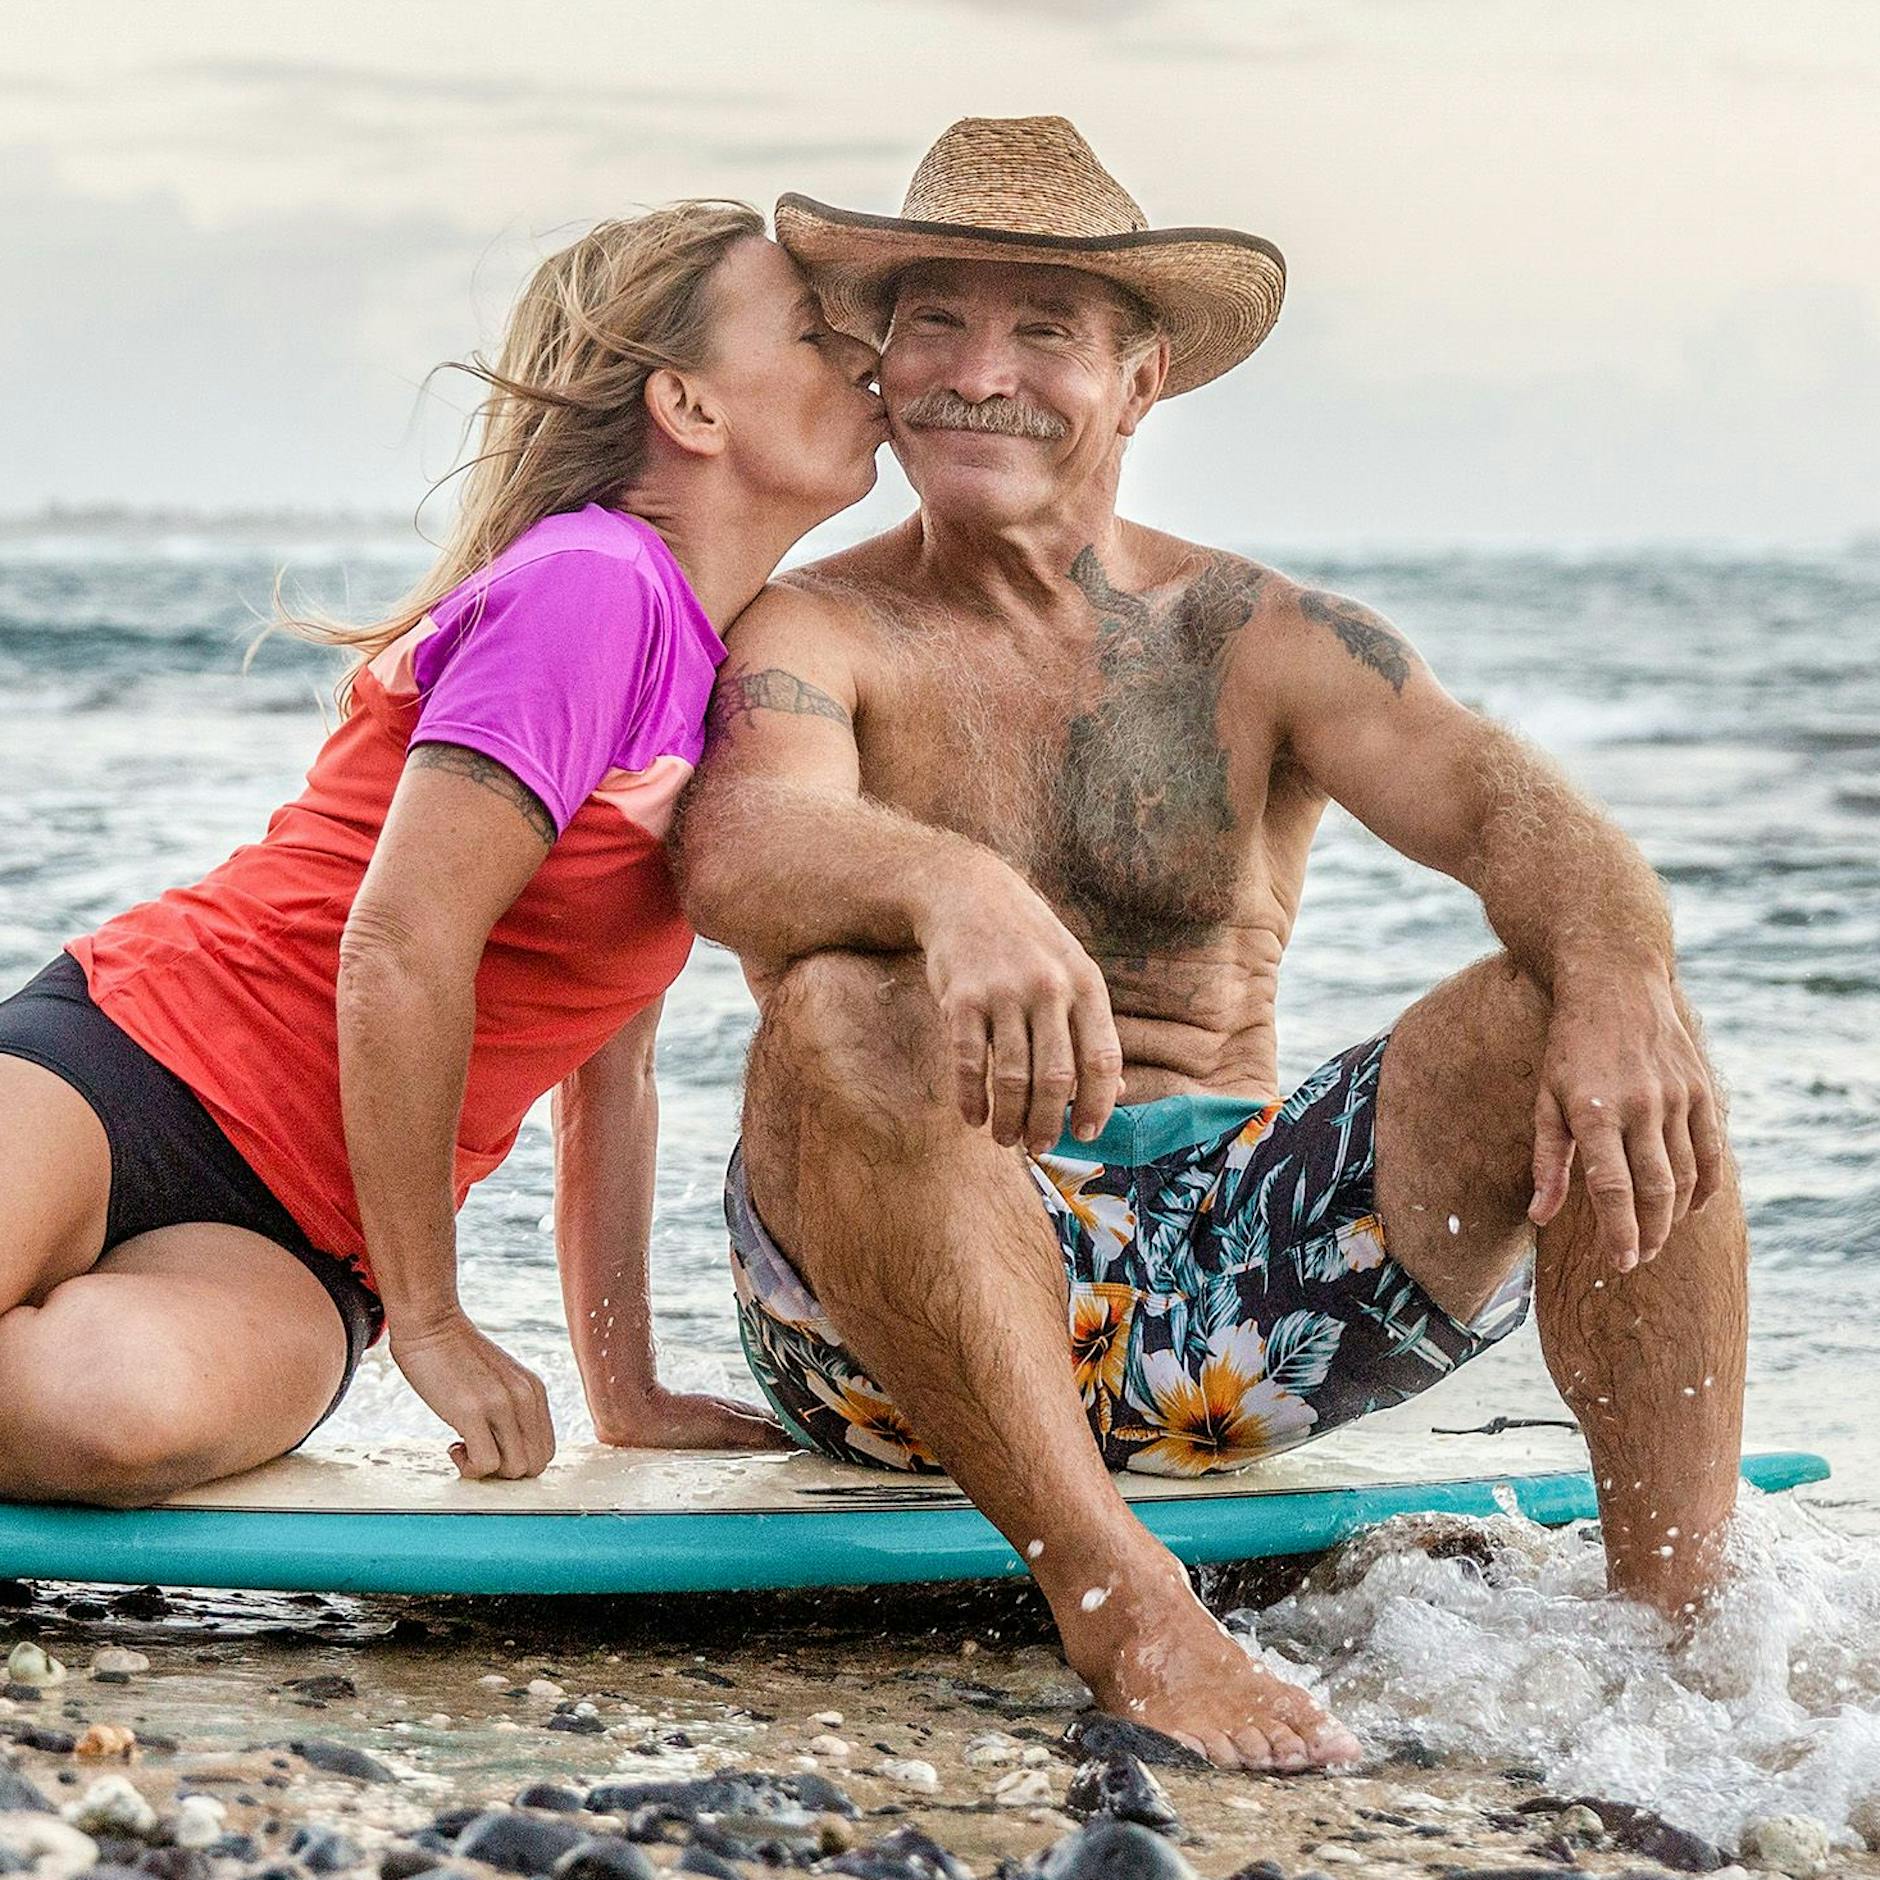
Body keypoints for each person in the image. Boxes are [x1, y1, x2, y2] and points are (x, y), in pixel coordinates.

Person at [677, 119, 1747, 1772]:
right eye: (938, 324)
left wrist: (1615, 977)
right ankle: (1124, 1605)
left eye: (1044, 332)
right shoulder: (822, 626)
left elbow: (1510, 812)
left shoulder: (1256, 634)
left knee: (1608, 1017)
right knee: (838, 1001)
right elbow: (739, 840)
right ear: (882, 363)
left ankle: (1674, 1657)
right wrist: (951, 890)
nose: (980, 375)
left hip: (1242, 1302)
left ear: (1140, 380)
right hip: (899, 1328)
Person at [0, 201, 887, 1507]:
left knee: (99, 1421)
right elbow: (403, 943)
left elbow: (613, 1073)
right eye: (814, 332)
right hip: (136, 1064)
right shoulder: (596, 581)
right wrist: (433, 1321)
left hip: (304, 1238)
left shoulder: (724, 674)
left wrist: (623, 1390)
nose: (861, 354)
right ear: (690, 408)